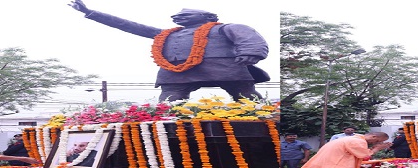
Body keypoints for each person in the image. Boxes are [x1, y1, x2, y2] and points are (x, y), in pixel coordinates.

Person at [69, 1, 269, 102]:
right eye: (177, 16)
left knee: (246, 96)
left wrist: (251, 52)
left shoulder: (224, 27)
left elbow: (249, 37)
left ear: (207, 16)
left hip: (224, 67)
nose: (178, 18)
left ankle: (266, 117)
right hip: (176, 71)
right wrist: (91, 13)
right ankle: (171, 124)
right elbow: (130, 26)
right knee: (170, 102)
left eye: (185, 15)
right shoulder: (166, 33)